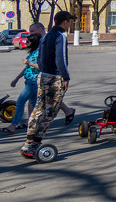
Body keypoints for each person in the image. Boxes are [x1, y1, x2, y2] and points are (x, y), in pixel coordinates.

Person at [21, 11, 76, 158]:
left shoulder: (46, 37)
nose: (70, 25)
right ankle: (36, 143)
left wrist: (43, 71)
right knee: (51, 111)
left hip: (43, 76)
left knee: (38, 109)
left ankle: (28, 141)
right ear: (65, 21)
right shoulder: (60, 36)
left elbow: (40, 58)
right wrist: (65, 77)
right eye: (70, 22)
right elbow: (61, 60)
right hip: (55, 78)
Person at [3, 27, 49, 134]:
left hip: (33, 82)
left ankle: (12, 126)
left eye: (28, 42)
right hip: (29, 81)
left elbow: (40, 67)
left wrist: (29, 63)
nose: (25, 43)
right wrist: (16, 78)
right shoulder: (33, 53)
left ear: (34, 43)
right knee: (33, 104)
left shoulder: (38, 53)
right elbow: (27, 69)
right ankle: (35, 126)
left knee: (20, 102)